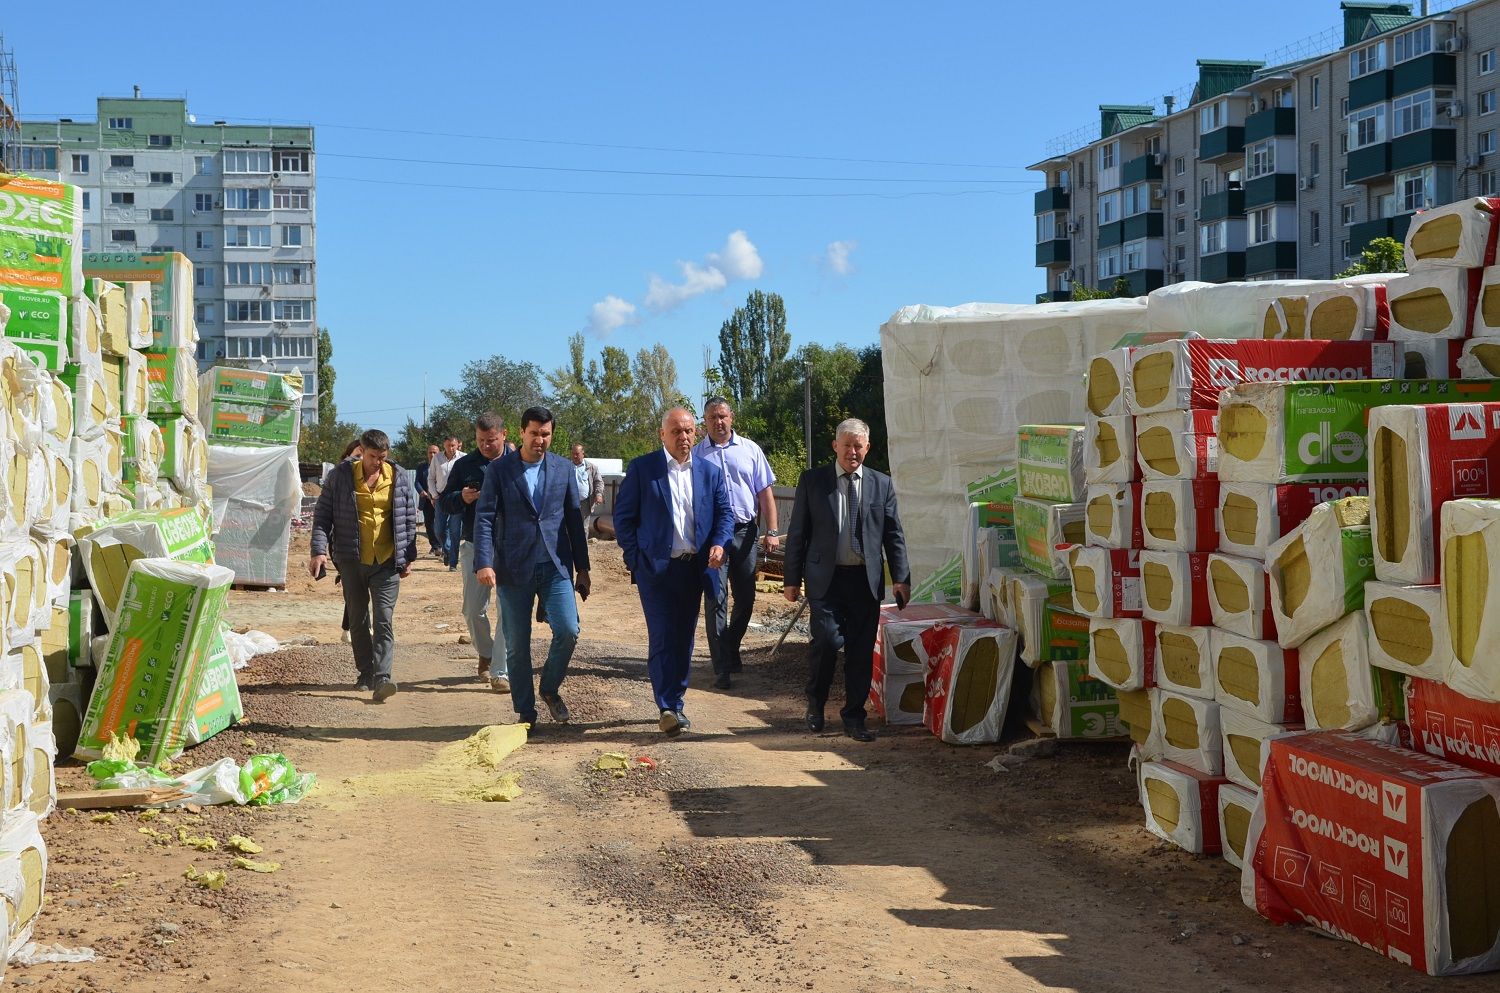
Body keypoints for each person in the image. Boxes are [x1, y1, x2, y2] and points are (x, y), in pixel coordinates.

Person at [782, 418, 910, 742]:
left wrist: (901, 578)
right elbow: (797, 533)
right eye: (847, 445)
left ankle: (854, 716)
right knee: (826, 641)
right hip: (826, 580)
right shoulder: (813, 481)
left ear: (867, 448)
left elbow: (894, 535)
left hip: (864, 582)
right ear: (835, 446)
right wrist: (791, 579)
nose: (852, 452)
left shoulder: (882, 484)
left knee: (860, 651)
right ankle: (816, 702)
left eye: (858, 446)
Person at [613, 407, 733, 737]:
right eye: (677, 431)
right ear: (662, 434)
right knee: (663, 635)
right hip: (656, 570)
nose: (684, 437)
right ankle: (665, 705)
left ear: (696, 434)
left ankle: (676, 703)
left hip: (695, 569)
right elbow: (623, 519)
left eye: (689, 431)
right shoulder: (643, 469)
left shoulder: (709, 472)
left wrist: (720, 544)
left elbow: (725, 514)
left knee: (684, 638)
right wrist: (635, 558)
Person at [473, 406, 591, 728]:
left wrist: (583, 568)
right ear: (522, 432)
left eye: (546, 434)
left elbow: (573, 521)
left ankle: (550, 689)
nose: (540, 439)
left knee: (568, 629)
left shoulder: (563, 468)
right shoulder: (499, 471)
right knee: (517, 644)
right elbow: (484, 518)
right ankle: (526, 712)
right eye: (534, 433)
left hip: (555, 566)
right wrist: (484, 561)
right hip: (512, 568)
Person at [310, 429, 420, 703]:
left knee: (383, 618)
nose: (378, 462)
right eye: (373, 456)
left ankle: (383, 678)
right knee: (358, 620)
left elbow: (408, 518)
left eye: (383, 457)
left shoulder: (398, 477)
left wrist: (407, 557)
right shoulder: (340, 477)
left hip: (386, 561)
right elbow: (323, 516)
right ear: (361, 450)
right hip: (351, 560)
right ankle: (365, 672)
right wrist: (318, 551)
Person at [693, 396, 777, 690]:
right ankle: (722, 667)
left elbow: (765, 493)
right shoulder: (696, 456)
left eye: (723, 416)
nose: (718, 422)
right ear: (704, 422)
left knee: (746, 598)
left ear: (732, 418)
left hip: (745, 533)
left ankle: (730, 645)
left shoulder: (750, 450)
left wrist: (773, 531)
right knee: (715, 598)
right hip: (711, 537)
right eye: (712, 417)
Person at [439, 413, 510, 688]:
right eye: (480, 441)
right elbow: (444, 501)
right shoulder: (465, 465)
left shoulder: (516, 464)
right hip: (473, 544)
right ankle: (487, 653)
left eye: (491, 440)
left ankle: (500, 672)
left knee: (507, 611)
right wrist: (462, 497)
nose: (485, 446)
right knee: (472, 609)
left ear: (503, 435)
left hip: (508, 547)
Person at [429, 434, 464, 569]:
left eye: (453, 445)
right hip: (441, 497)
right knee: (439, 529)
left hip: (457, 497)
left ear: (457, 445)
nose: (451, 448)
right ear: (444, 445)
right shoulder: (437, 459)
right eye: (448, 445)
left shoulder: (463, 457)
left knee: (455, 530)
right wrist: (434, 495)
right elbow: (431, 478)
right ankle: (447, 550)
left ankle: (453, 562)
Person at [568, 442, 604, 537]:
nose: (575, 456)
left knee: (583, 528)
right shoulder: (566, 467)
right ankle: (569, 550)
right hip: (569, 502)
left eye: (577, 454)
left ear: (583, 453)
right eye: (573, 454)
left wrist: (598, 494)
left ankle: (582, 551)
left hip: (585, 502)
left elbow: (598, 482)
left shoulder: (591, 468)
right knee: (568, 527)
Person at [415, 443, 441, 556]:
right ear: (427, 454)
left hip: (440, 500)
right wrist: (422, 491)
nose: (432, 454)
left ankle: (441, 544)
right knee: (429, 524)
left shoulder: (443, 466)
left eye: (435, 452)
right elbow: (417, 482)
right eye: (430, 452)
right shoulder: (422, 467)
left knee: (441, 524)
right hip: (426, 500)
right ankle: (435, 546)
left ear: (439, 453)